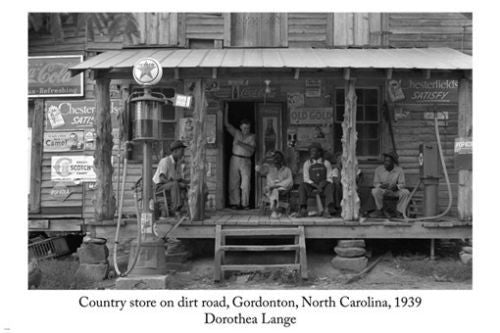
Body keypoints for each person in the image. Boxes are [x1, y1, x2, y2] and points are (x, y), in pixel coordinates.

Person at [225, 104, 256, 210]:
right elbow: (227, 124)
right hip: (235, 158)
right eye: (244, 128)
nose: (245, 130)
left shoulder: (252, 136)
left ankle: (245, 203)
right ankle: (235, 203)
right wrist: (226, 109)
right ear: (240, 127)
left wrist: (241, 144)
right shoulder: (237, 133)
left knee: (246, 183)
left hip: (246, 160)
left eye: (247, 128)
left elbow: (252, 149)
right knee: (233, 182)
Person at [298, 142, 335, 218]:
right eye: (311, 151)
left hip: (323, 185)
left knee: (330, 186)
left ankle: (327, 209)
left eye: (314, 151)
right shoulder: (307, 163)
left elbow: (329, 178)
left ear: (319, 152)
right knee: (302, 186)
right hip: (311, 185)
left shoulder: (326, 163)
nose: (312, 153)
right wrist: (315, 186)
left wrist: (322, 184)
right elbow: (306, 179)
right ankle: (303, 209)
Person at [152, 140, 189, 217]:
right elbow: (162, 178)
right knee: (175, 184)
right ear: (175, 151)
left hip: (170, 185)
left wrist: (186, 182)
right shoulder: (165, 161)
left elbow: (177, 178)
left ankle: (185, 209)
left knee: (184, 185)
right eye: (181, 151)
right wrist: (177, 183)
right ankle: (175, 209)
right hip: (160, 187)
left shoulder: (177, 163)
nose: (183, 153)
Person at [370, 151, 410, 218]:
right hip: (383, 190)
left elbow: (402, 184)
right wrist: (380, 186)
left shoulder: (399, 170)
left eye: (388, 161)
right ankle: (380, 210)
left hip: (394, 191)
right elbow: (375, 183)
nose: (386, 163)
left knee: (406, 192)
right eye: (385, 161)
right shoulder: (378, 169)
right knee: (374, 191)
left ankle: (399, 212)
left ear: (393, 162)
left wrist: (396, 187)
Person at [331, 152, 363, 216]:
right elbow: (336, 182)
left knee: (364, 190)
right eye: (340, 160)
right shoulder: (336, 170)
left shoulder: (354, 169)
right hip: (341, 188)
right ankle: (339, 209)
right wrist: (340, 170)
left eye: (343, 159)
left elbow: (358, 180)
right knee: (337, 189)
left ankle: (362, 211)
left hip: (353, 187)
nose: (342, 162)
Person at [264, 151, 294, 219]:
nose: (276, 159)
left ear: (282, 159)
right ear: (273, 159)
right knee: (272, 190)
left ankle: (274, 210)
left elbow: (290, 182)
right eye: (275, 157)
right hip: (270, 189)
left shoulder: (287, 170)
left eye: (278, 157)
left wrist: (277, 185)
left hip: (282, 188)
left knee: (275, 190)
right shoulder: (270, 170)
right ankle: (275, 210)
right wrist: (273, 186)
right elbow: (269, 181)